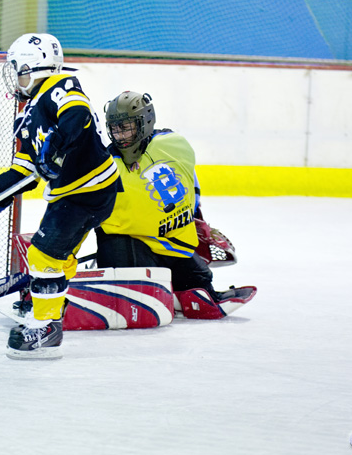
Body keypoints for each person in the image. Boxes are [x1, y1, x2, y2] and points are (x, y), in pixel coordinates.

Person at [0, 33, 120, 359]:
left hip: (87, 190)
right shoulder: (27, 115)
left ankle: (47, 327)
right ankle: (52, 300)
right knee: (56, 256)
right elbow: (24, 173)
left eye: (17, 69)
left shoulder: (60, 85)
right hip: (77, 194)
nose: (14, 76)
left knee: (43, 256)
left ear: (31, 67)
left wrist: (57, 143)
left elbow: (76, 114)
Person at [96, 91, 251, 313]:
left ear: (144, 122)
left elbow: (191, 184)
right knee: (139, 281)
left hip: (174, 245)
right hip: (127, 245)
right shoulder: (105, 163)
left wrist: (198, 220)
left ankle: (168, 288)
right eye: (115, 128)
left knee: (201, 281)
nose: (120, 135)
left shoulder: (174, 144)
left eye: (126, 127)